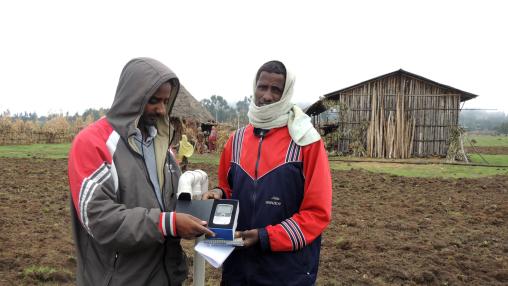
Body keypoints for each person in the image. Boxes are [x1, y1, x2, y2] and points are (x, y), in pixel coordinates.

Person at [68, 57, 213, 286]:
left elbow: (171, 204)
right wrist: (168, 223)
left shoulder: (161, 146)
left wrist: (199, 205)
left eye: (166, 101)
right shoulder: (93, 143)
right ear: (132, 96)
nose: (161, 109)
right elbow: (101, 220)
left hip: (165, 277)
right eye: (154, 100)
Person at [202, 60, 332, 285]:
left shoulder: (306, 142)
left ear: (286, 93)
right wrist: (218, 192)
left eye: (276, 90)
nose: (267, 96)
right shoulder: (236, 140)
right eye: (262, 87)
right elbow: (228, 187)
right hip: (238, 267)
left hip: (286, 270)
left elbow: (317, 213)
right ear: (254, 87)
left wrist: (265, 237)